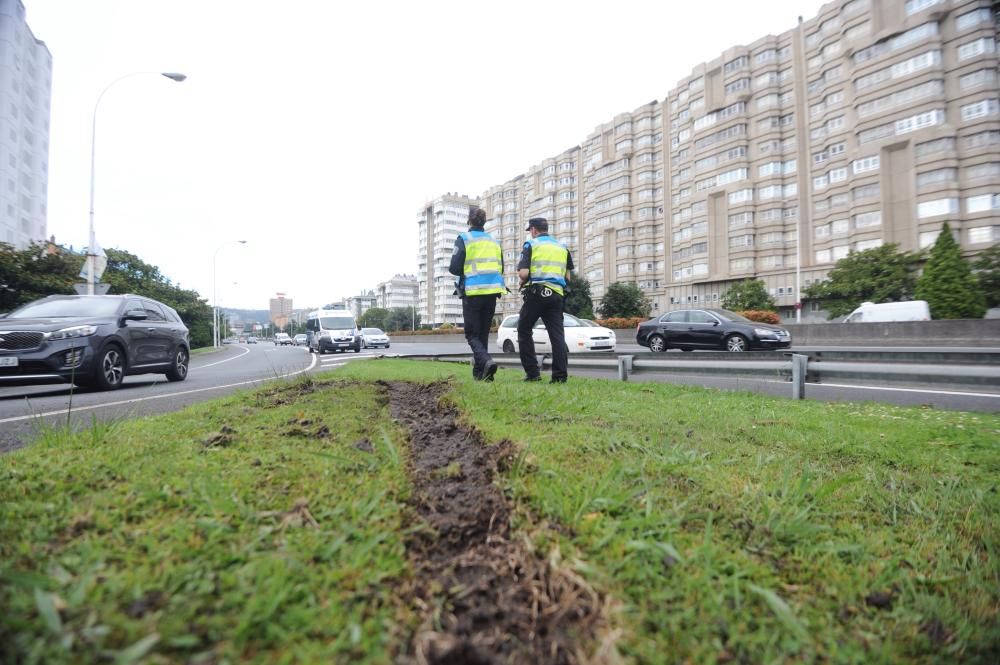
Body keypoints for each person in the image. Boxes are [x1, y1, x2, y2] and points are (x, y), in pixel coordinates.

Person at [449, 206, 504, 381]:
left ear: (469, 221)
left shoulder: (464, 239)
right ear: (484, 221)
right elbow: (500, 267)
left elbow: (454, 268)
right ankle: (482, 375)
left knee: (471, 334)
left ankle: (486, 361)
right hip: (492, 291)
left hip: (473, 292)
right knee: (482, 334)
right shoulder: (494, 241)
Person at [517, 217, 574, 383]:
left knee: (524, 329)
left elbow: (523, 273)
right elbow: (568, 277)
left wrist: (523, 281)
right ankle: (559, 376)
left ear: (534, 230)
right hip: (556, 295)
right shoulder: (562, 247)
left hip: (537, 294)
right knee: (557, 336)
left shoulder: (531, 245)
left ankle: (533, 373)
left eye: (531, 231)